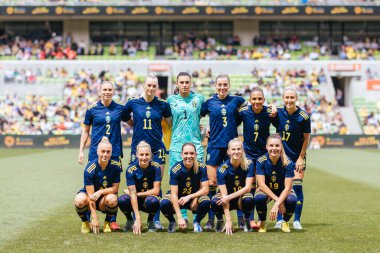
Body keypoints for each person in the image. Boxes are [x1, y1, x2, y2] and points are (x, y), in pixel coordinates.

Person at [78, 80, 129, 231]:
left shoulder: (120, 108)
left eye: (110, 90)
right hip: (95, 153)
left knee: (113, 185)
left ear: (114, 92)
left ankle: (111, 220)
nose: (107, 92)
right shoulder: (92, 109)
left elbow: (132, 122)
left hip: (115, 153)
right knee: (91, 183)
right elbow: (86, 131)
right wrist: (81, 150)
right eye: (104, 89)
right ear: (100, 91)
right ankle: (88, 218)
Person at [124, 75, 172, 229]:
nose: (151, 88)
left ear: (157, 87)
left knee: (156, 182)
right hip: (137, 149)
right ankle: (133, 219)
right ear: (143, 86)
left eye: (154, 86)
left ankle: (154, 220)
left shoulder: (163, 105)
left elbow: (171, 124)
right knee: (134, 184)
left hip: (158, 149)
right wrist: (135, 124)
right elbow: (126, 118)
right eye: (149, 85)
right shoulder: (133, 103)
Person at [201, 74, 246, 230]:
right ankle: (214, 218)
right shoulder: (208, 103)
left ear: (229, 85)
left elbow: (248, 111)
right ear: (215, 86)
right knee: (213, 183)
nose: (222, 87)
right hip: (214, 146)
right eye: (219, 84)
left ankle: (241, 218)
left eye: (225, 84)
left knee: (236, 182)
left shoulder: (237, 101)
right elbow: (197, 117)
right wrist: (205, 128)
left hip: (232, 148)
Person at [167, 72, 205, 222]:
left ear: (191, 83)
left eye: (187, 82)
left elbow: (205, 114)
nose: (184, 84)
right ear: (177, 84)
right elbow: (168, 121)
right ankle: (182, 215)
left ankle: (196, 215)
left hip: (195, 146)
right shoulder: (170, 100)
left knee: (198, 181)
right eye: (181, 82)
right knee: (178, 181)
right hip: (177, 147)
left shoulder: (199, 99)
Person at [237, 87, 277, 229]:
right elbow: (230, 123)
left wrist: (274, 107)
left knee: (262, 187)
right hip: (247, 155)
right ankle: (249, 219)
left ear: (264, 100)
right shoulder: (244, 112)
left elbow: (281, 122)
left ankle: (263, 220)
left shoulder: (269, 112)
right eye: (254, 99)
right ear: (250, 100)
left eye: (260, 99)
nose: (257, 101)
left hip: (263, 156)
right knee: (249, 187)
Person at [274, 88, 311, 230]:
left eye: (292, 97)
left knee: (296, 187)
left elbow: (306, 138)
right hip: (281, 157)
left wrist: (301, 158)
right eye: (287, 97)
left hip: (297, 158)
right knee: (281, 188)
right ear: (283, 98)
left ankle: (296, 220)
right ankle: (279, 219)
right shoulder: (278, 112)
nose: (289, 100)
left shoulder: (304, 116)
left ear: (296, 98)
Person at [160, 142, 210, 233]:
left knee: (206, 201)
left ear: (196, 154)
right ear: (181, 154)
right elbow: (174, 194)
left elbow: (206, 189)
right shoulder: (175, 169)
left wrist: (190, 197)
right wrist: (179, 217)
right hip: (178, 199)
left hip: (192, 198)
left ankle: (197, 222)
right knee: (164, 203)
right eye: (186, 153)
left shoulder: (201, 167)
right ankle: (172, 222)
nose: (189, 156)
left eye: (191, 153)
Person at [74, 137, 120, 234]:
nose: (105, 154)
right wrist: (94, 217)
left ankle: (107, 222)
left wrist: (100, 192)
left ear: (111, 153)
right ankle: (85, 222)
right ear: (97, 152)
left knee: (113, 199)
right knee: (79, 200)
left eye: (108, 152)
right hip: (90, 197)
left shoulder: (116, 166)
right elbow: (91, 196)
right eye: (103, 151)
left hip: (103, 198)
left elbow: (115, 189)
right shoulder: (90, 168)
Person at [254, 134, 297, 233]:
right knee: (259, 198)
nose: (274, 148)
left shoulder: (288, 162)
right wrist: (279, 202)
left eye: (277, 146)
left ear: (281, 147)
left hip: (283, 191)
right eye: (271, 145)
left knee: (292, 199)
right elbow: (261, 185)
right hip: (267, 190)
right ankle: (263, 222)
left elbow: (287, 188)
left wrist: (276, 204)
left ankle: (285, 222)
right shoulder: (261, 161)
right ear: (266, 146)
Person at [211, 138, 255, 235]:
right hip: (227, 197)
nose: (236, 152)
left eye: (239, 149)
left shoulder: (249, 164)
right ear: (228, 152)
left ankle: (246, 220)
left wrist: (229, 197)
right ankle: (220, 220)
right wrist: (228, 220)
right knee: (215, 201)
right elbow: (224, 196)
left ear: (242, 150)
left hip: (241, 197)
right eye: (233, 149)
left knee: (249, 199)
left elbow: (248, 188)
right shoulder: (222, 169)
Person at [118, 141, 161, 233]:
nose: (144, 157)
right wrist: (137, 218)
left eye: (147, 154)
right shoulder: (130, 170)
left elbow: (156, 190)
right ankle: (130, 220)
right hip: (135, 200)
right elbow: (132, 196)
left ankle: (150, 221)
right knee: (122, 200)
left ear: (151, 155)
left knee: (154, 201)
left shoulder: (156, 167)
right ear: (137, 155)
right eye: (141, 154)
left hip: (148, 200)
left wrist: (137, 193)